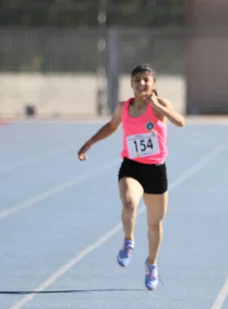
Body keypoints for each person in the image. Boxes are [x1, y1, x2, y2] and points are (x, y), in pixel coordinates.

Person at [77, 64, 186, 290]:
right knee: (129, 204)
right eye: (137, 80)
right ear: (131, 84)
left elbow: (180, 121)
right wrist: (89, 143)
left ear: (153, 84)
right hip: (132, 166)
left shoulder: (161, 105)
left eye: (146, 80)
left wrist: (157, 106)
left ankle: (151, 264)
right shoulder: (123, 107)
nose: (141, 84)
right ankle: (128, 241)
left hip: (155, 170)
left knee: (154, 224)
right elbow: (111, 126)